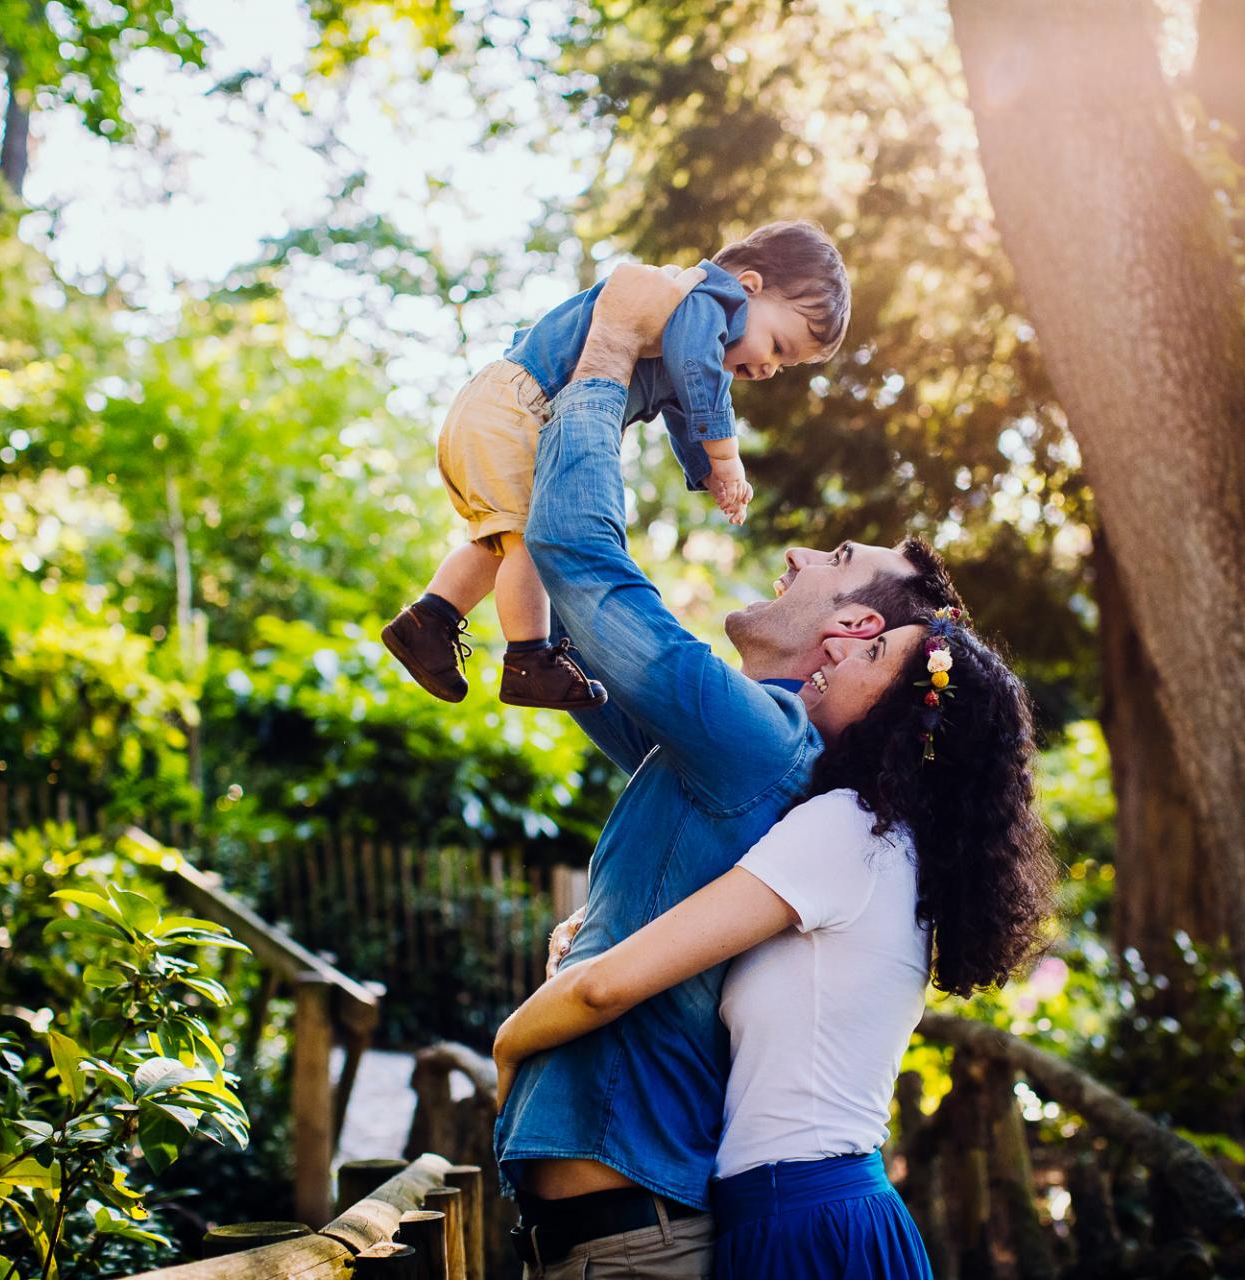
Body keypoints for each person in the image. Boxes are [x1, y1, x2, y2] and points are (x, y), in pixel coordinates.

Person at [488, 261, 962, 1278]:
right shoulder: (738, 744)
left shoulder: (755, 737)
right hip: (610, 1235)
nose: (796, 551)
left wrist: (613, 344)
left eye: (833, 554)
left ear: (855, 624)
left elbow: (578, 551)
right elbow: (578, 630)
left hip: (633, 1240)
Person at [494, 603, 1057, 1278]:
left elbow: (604, 987)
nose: (842, 654)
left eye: (873, 656)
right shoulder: (890, 844)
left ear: (904, 722)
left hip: (805, 1221)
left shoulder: (849, 829)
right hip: (796, 1209)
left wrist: (509, 1046)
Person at [382, 221, 850, 712]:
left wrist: (705, 470)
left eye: (785, 365)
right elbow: (700, 375)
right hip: (522, 404)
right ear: (748, 287)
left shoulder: (688, 327)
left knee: (505, 540)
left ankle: (427, 622)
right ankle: (528, 660)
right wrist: (725, 455)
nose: (770, 369)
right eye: (777, 345)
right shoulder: (703, 299)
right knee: (533, 540)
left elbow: (682, 411)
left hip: (507, 405)